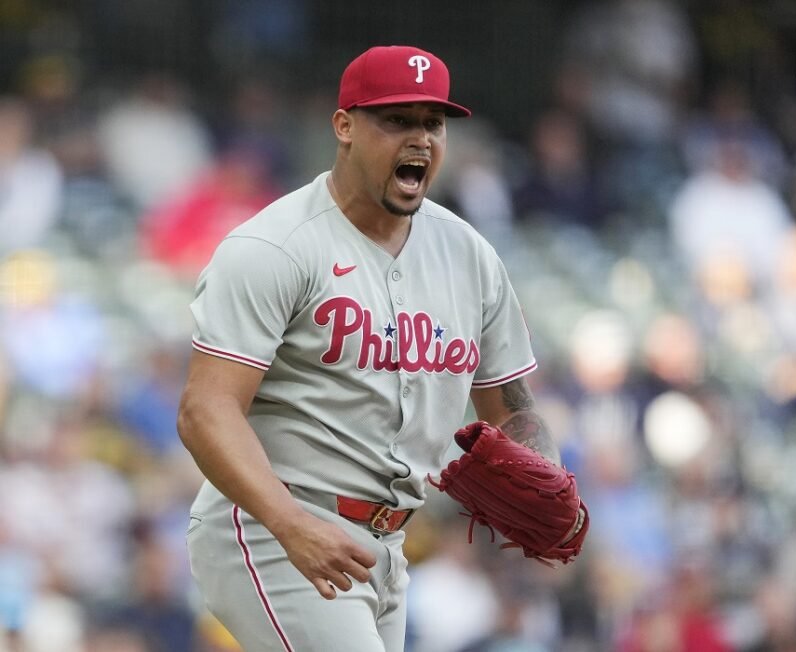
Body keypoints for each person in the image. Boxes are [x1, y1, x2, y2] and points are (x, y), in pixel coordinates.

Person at [177, 45, 565, 651]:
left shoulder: (469, 257)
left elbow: (511, 407)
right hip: (270, 527)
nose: (420, 139)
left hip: (387, 548)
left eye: (432, 123)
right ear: (344, 127)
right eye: (396, 120)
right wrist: (291, 525)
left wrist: (544, 470)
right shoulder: (276, 246)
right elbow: (205, 410)